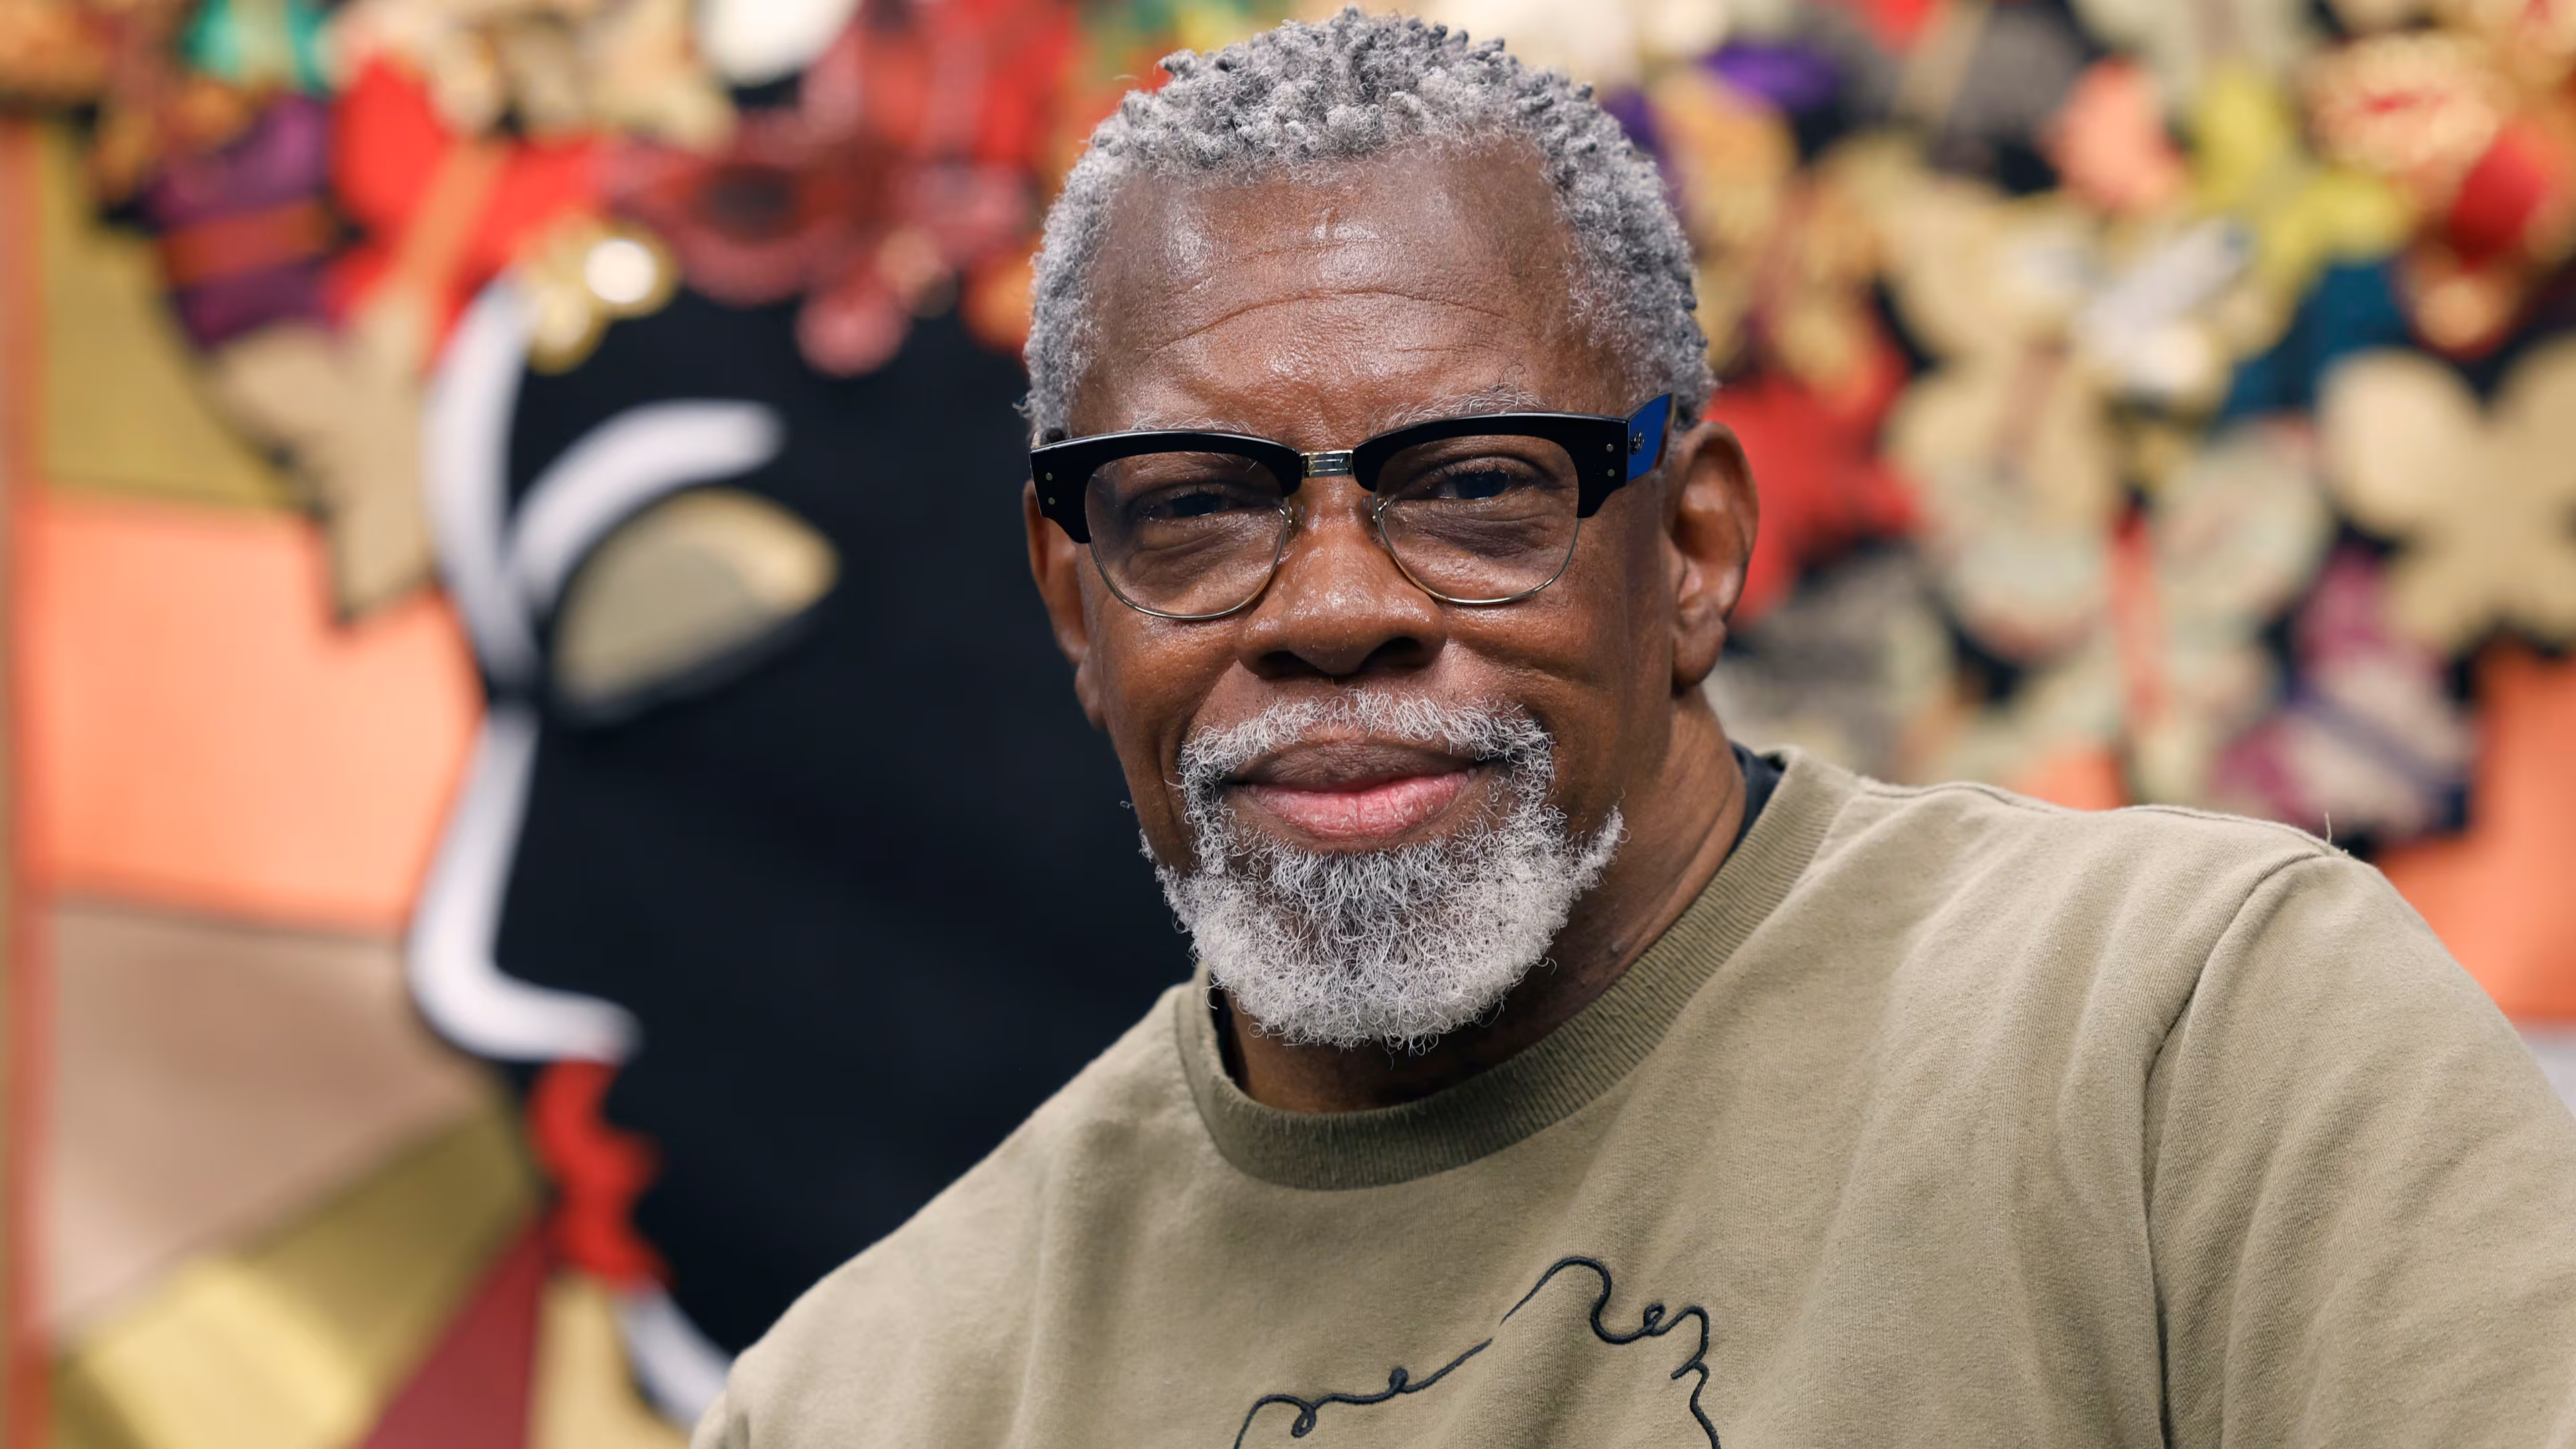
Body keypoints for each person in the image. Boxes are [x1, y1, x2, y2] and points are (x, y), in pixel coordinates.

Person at [692, 11, 2576, 1446]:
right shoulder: (877, 1398)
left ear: (1691, 551)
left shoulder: (2187, 1041)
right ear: (1071, 600)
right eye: (1196, 506)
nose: (1337, 610)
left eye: (1474, 490)